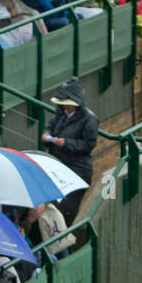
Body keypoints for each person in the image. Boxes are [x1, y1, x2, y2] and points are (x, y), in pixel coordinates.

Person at [42, 77, 98, 224]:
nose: (66, 107)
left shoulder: (89, 119)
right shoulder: (60, 115)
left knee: (66, 208)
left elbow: (89, 144)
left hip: (77, 170)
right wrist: (47, 135)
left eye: (68, 105)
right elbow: (50, 127)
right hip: (58, 166)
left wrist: (66, 143)